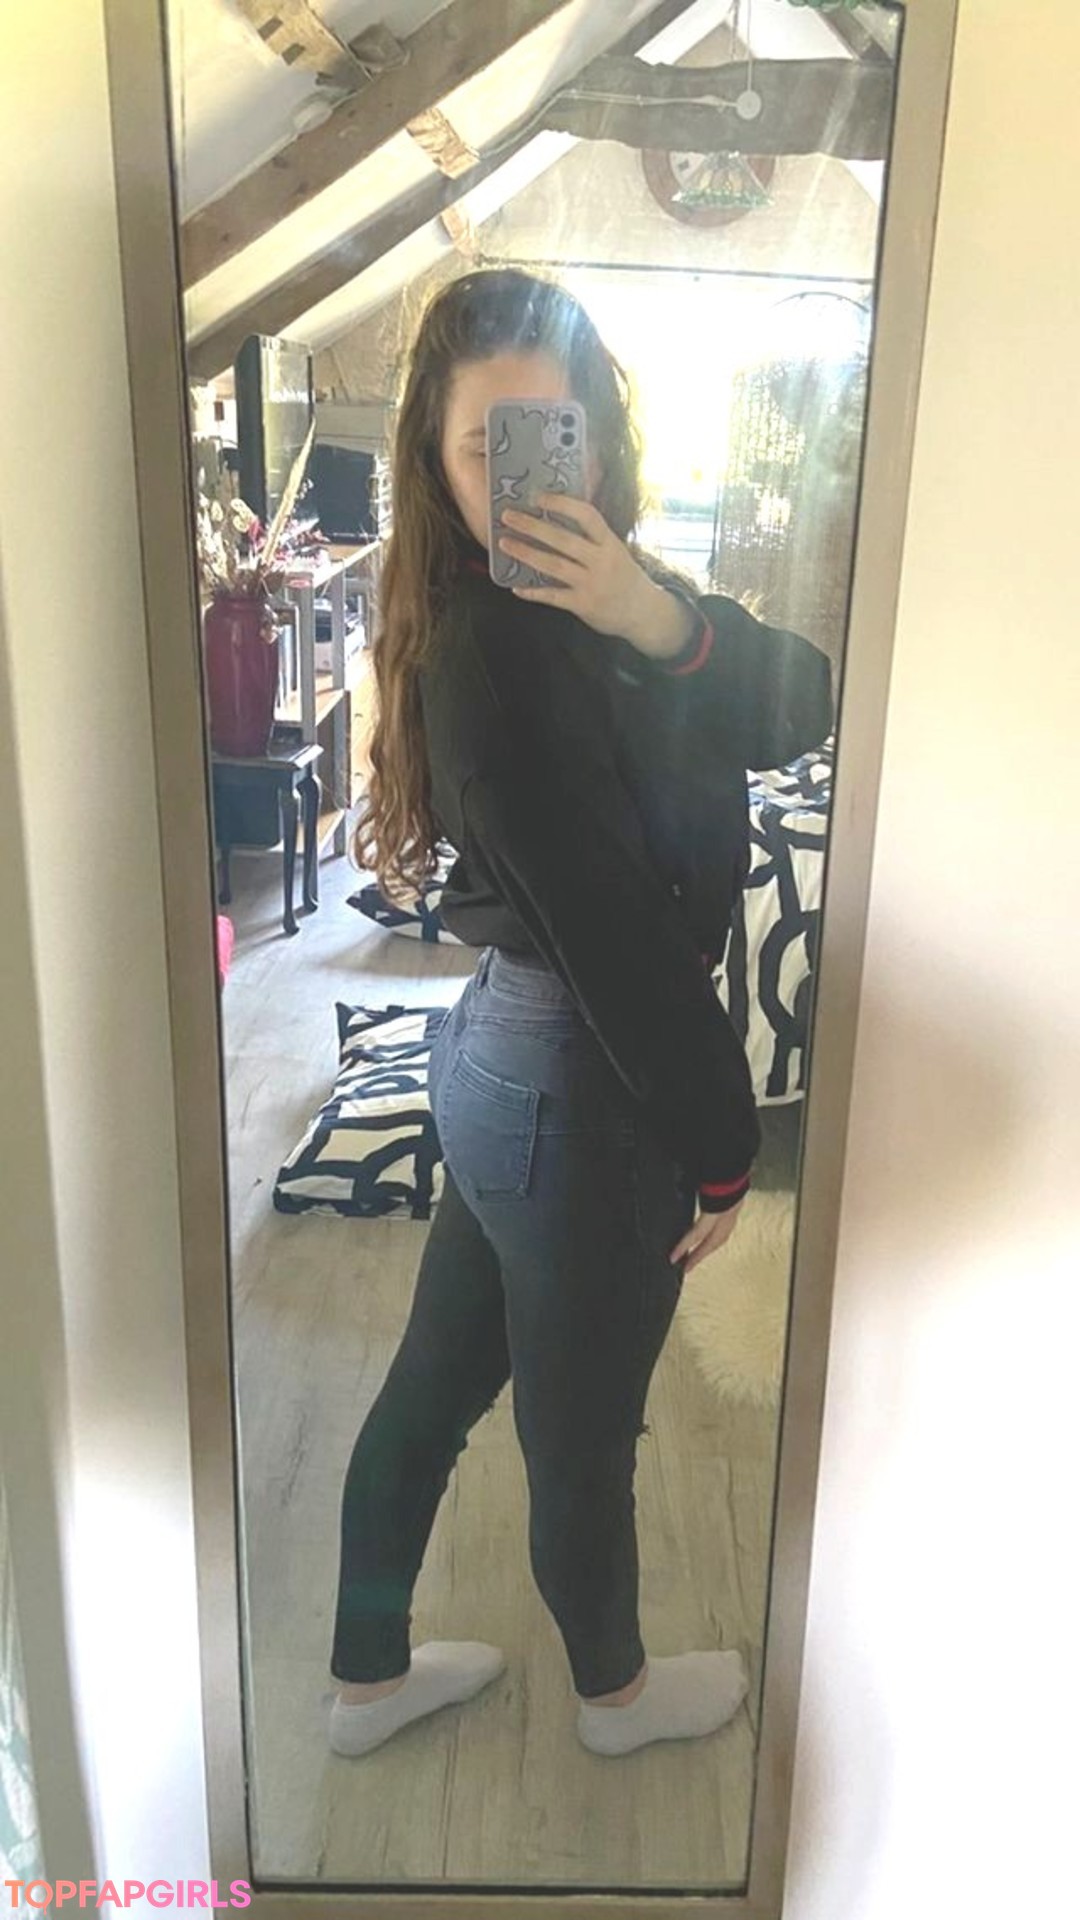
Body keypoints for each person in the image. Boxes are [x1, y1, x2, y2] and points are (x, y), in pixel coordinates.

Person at [328, 268, 832, 1761]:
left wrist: (652, 615)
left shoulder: (615, 599)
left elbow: (802, 702)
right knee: (583, 1435)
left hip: (505, 1069)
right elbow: (618, 944)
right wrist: (726, 1147)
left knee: (434, 1388)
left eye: (556, 432)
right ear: (435, 461)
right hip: (580, 1083)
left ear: (598, 433)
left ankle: (365, 1683)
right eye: (485, 444)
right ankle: (615, 1699)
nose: (529, 474)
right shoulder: (488, 653)